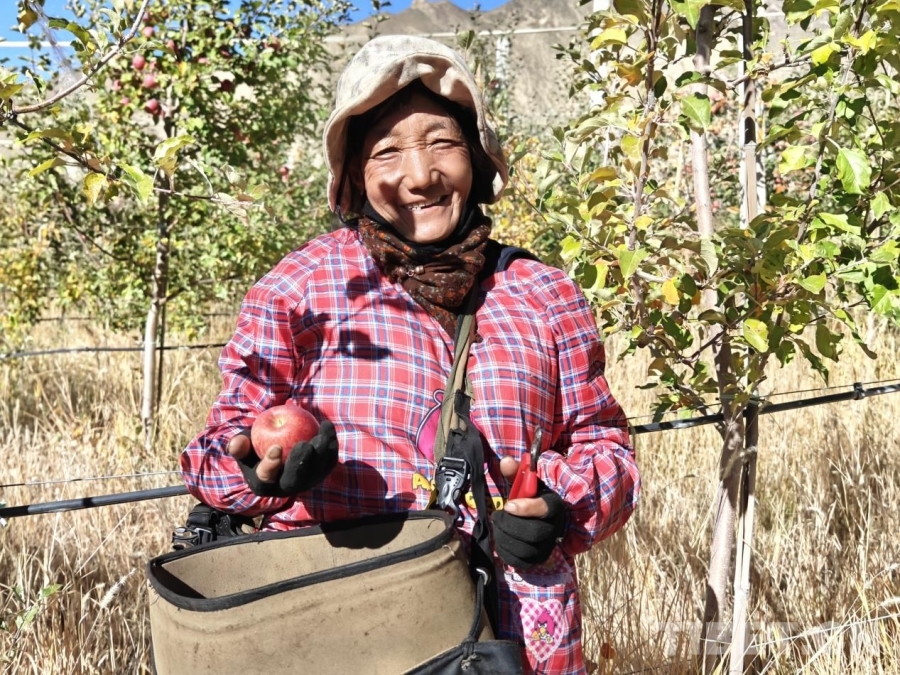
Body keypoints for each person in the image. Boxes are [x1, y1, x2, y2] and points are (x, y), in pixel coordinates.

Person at [180, 34, 640, 674]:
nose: (420, 176)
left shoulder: (543, 293)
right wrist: (259, 474)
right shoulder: (299, 291)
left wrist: (561, 507)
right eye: (387, 152)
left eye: (442, 143)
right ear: (354, 176)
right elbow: (212, 456)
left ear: (477, 156)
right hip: (350, 633)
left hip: (512, 638)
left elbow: (605, 446)